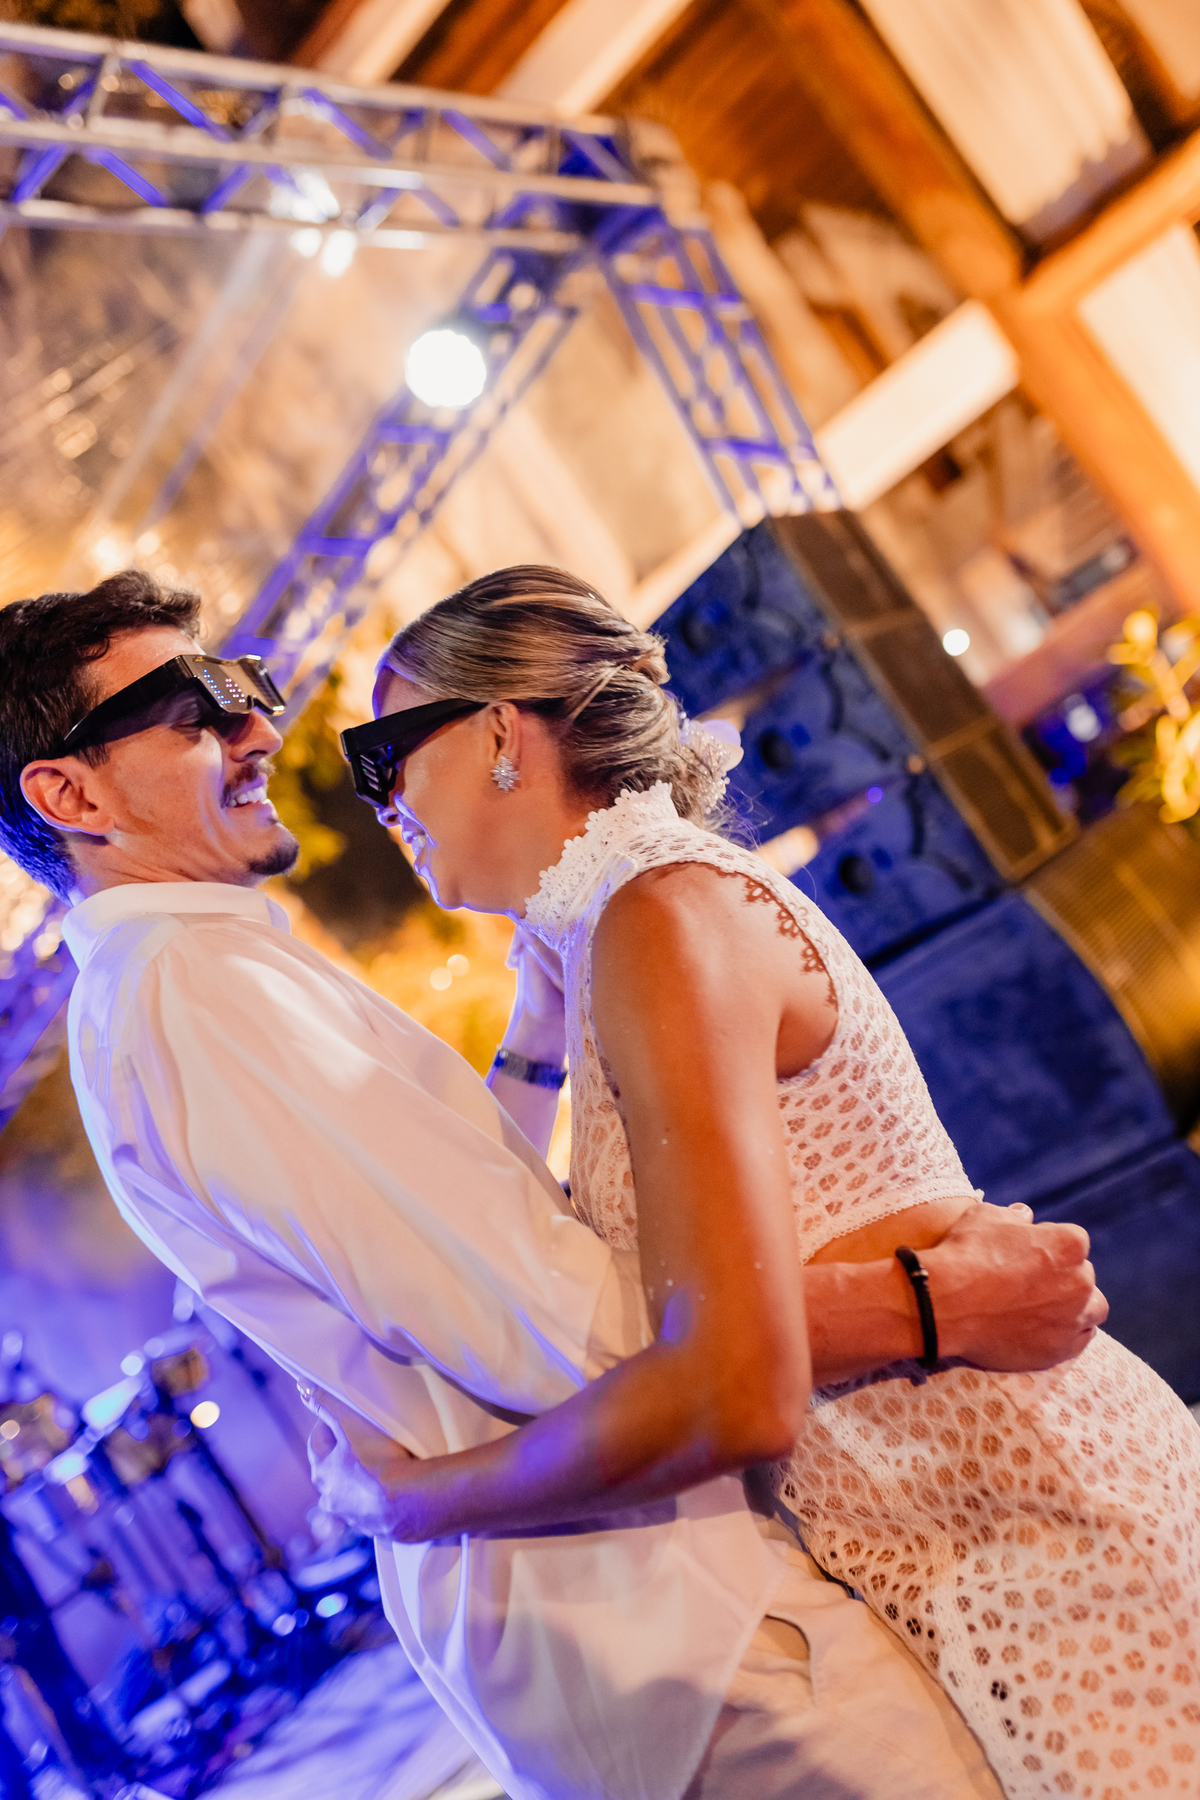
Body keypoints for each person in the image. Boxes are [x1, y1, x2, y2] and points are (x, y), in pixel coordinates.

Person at [0, 571, 1107, 1800]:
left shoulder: (202, 981)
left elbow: (477, 1236)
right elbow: (589, 1338)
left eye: (246, 689)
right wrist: (932, 1302)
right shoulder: (201, 1000)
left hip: (663, 1611)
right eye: (196, 709)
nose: (258, 727)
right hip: (673, 1630)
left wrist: (533, 1042)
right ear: (69, 794)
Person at [313, 565, 1200, 1800]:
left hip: (1028, 1527)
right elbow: (518, 1262)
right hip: (960, 1533)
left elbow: (726, 1381)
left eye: (384, 755)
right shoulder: (616, 923)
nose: (381, 805)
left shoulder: (660, 913)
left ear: (503, 733)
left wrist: (421, 1505)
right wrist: (534, 1014)